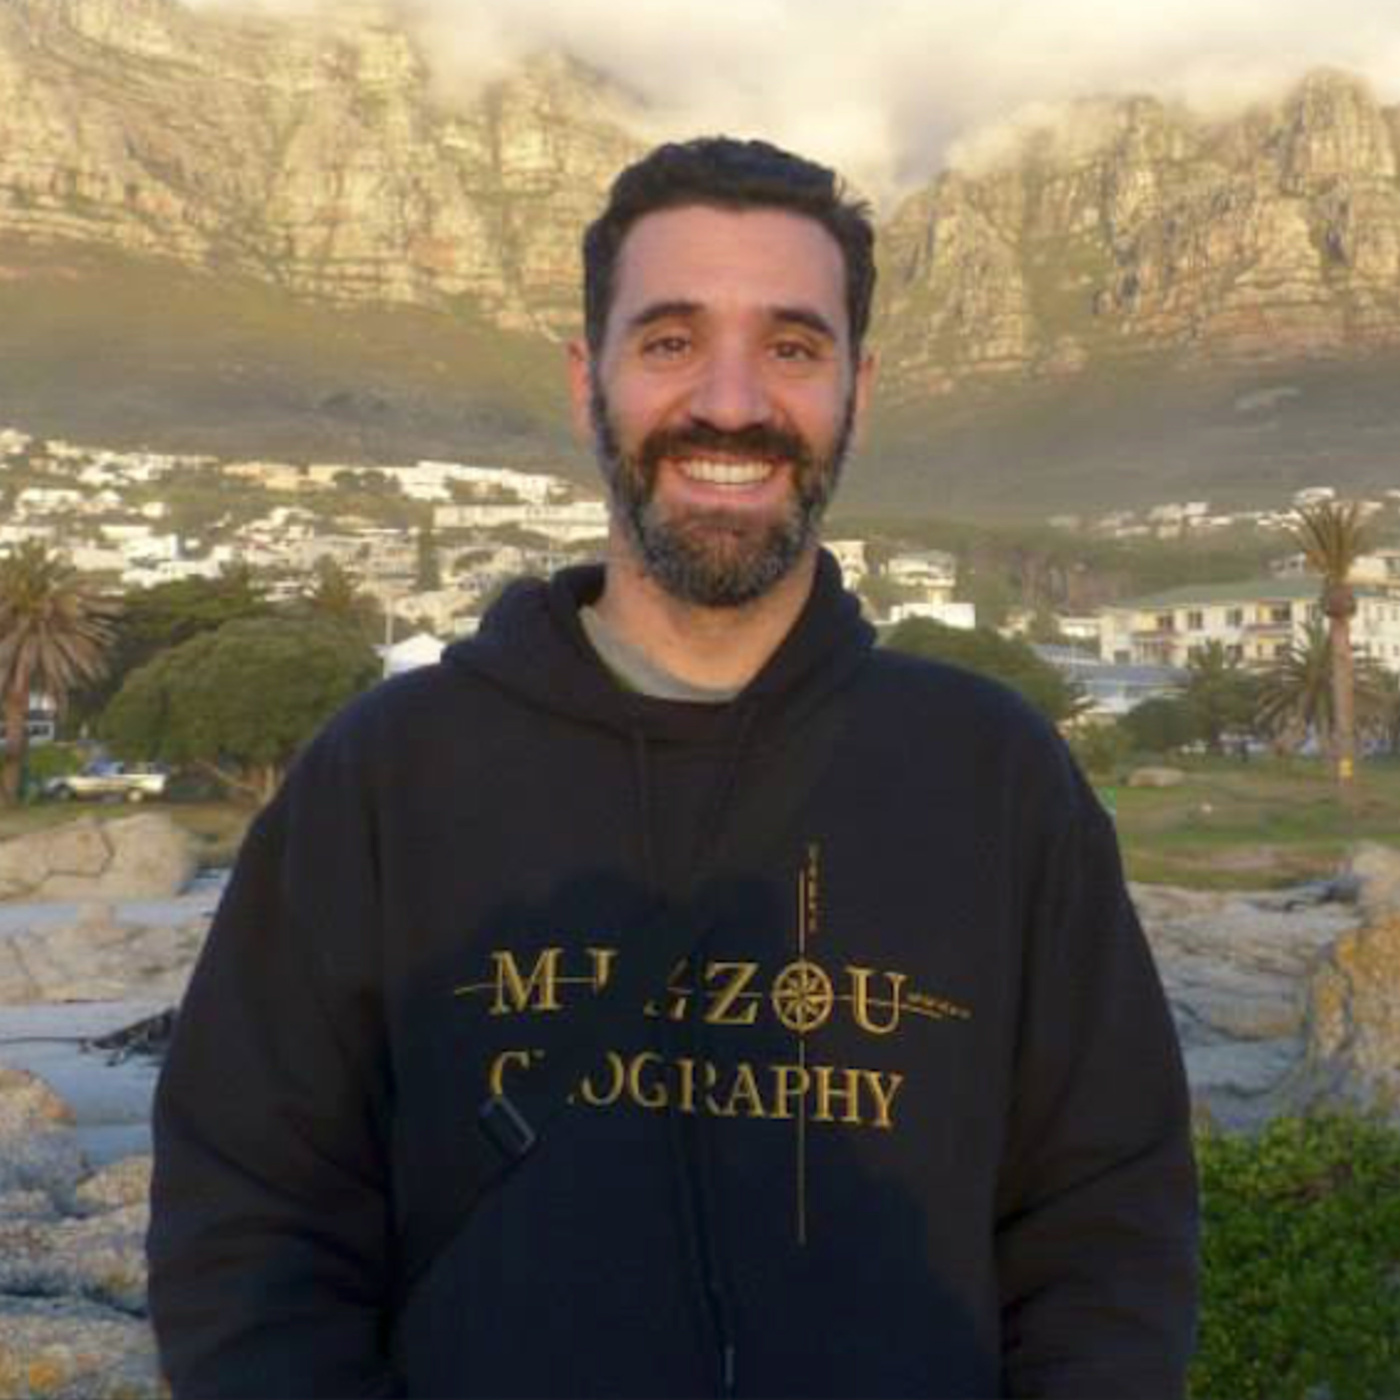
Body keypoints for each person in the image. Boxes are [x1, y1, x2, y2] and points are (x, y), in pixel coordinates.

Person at [147, 136, 1198, 1398]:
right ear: (584, 380)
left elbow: (1105, 1227)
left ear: (857, 388)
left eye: (792, 347)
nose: (732, 402)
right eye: (669, 341)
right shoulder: (385, 773)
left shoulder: (992, 776)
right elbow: (249, 1227)